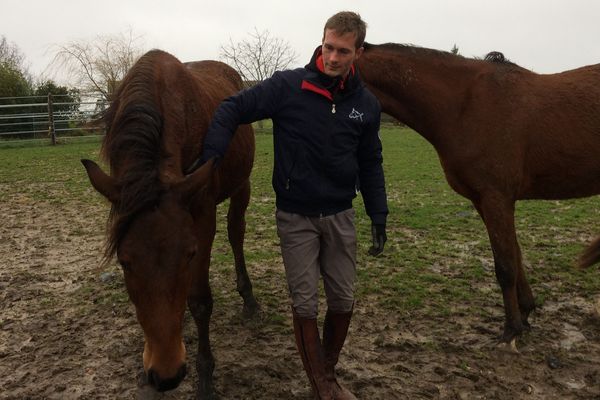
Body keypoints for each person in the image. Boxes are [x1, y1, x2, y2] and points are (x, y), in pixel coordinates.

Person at [196, 11, 388, 400]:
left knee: (343, 299)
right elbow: (232, 107)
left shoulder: (365, 106)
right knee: (304, 302)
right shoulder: (288, 86)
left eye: (343, 51)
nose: (333, 58)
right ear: (322, 41)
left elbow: (370, 162)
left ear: (358, 52)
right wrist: (212, 157)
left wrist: (378, 214)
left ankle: (326, 373)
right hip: (296, 216)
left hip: (340, 214)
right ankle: (323, 387)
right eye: (329, 47)